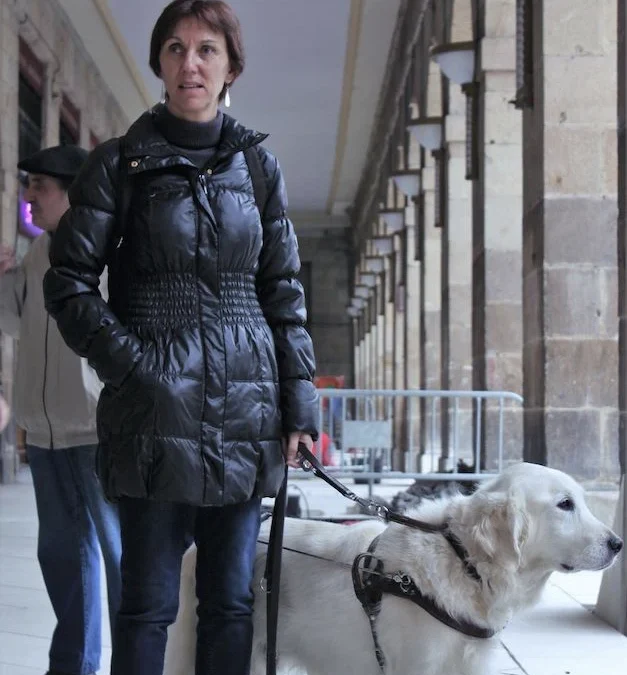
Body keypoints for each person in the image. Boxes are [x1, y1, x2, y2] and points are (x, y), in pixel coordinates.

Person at [43, 2, 319, 674]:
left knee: (230, 603)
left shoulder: (258, 169)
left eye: (205, 49)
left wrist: (299, 405)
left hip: (246, 411)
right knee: (147, 604)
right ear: (159, 65)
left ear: (230, 66)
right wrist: (134, 366)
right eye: (174, 48)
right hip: (153, 413)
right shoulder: (118, 164)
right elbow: (69, 282)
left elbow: (281, 292)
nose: (189, 63)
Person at [0, 145, 122, 675]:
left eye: (38, 186)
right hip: (47, 434)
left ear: (72, 191)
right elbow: (13, 323)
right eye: (28, 185)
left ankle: (137, 664)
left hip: (98, 431)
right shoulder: (35, 252)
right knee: (61, 560)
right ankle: (71, 664)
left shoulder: (109, 247)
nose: (28, 196)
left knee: (121, 561)